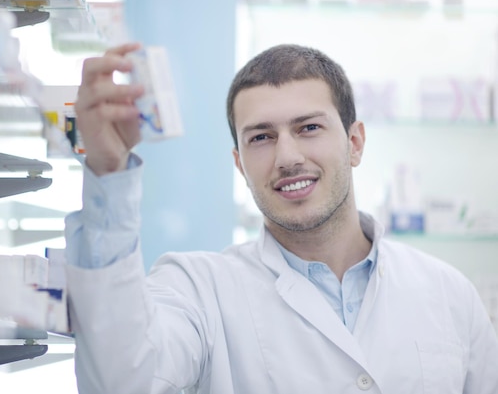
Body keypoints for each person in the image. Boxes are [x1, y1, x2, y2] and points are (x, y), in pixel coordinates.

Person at [64, 42, 498, 394]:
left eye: (308, 128)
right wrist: (108, 173)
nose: (287, 157)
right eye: (262, 137)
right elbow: (121, 383)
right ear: (239, 163)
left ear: (355, 142)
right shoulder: (197, 288)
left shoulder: (447, 292)